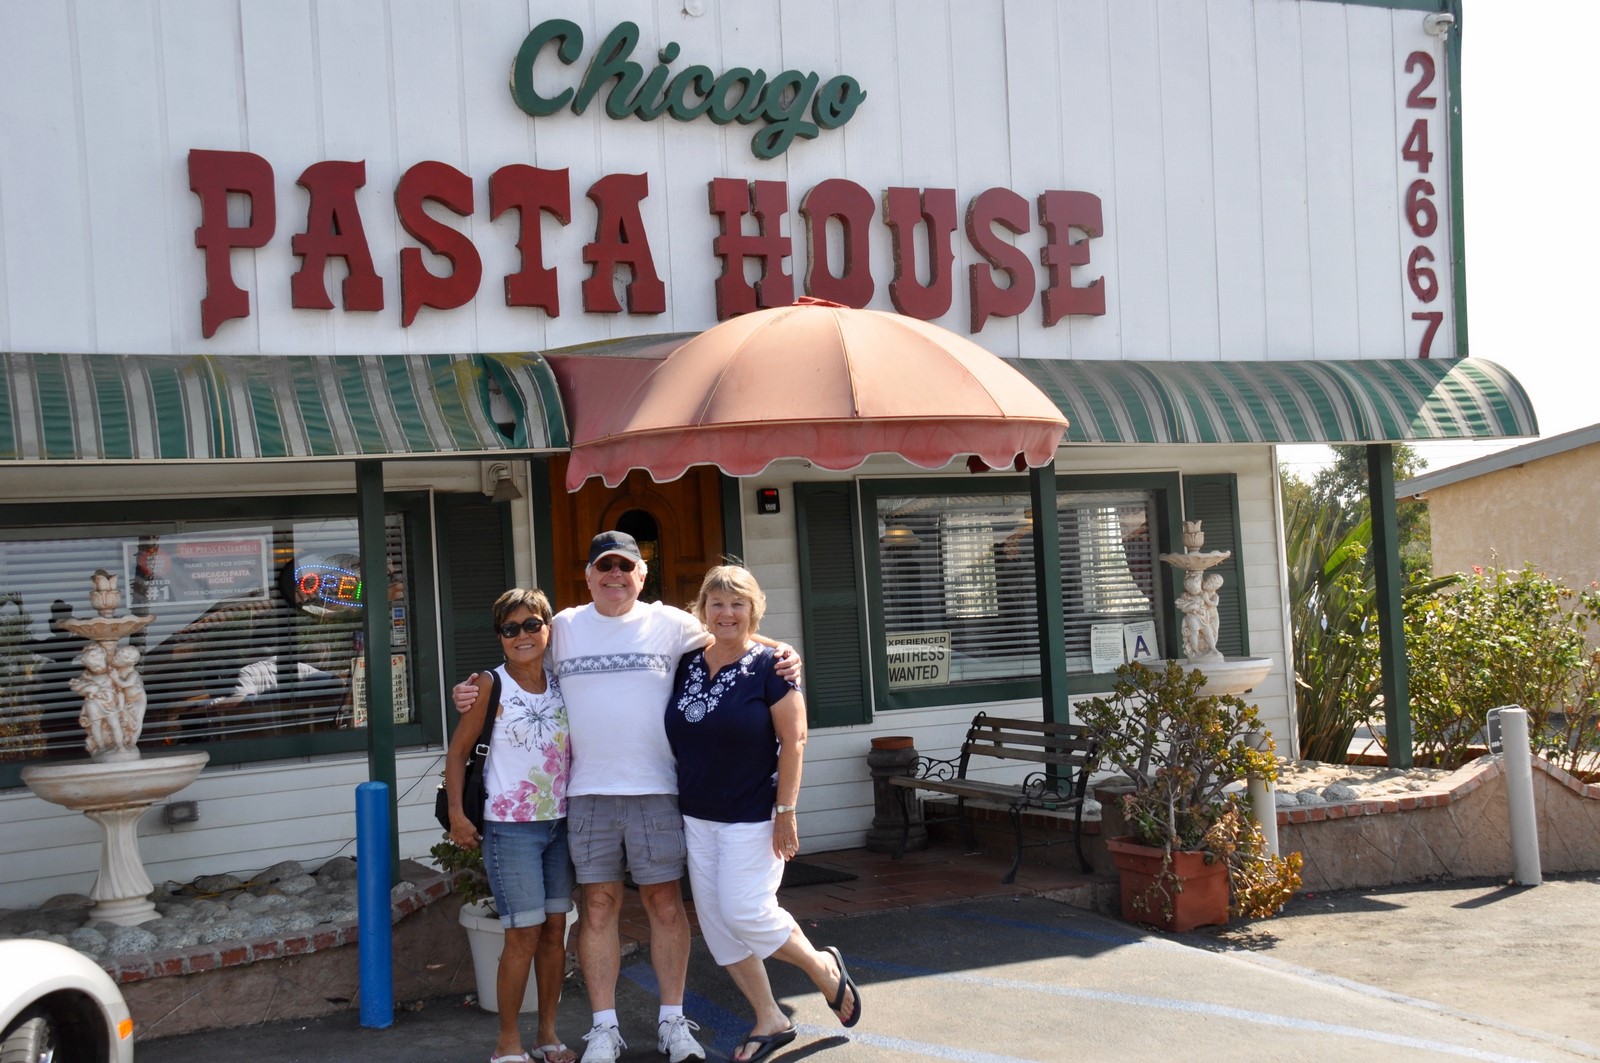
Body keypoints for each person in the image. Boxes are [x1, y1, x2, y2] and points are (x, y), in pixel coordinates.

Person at [453, 531, 801, 1063]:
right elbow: (519, 660)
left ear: (641, 575)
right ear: (588, 576)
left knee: (664, 904)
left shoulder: (671, 624)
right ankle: (604, 1028)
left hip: (657, 791)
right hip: (587, 795)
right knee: (597, 907)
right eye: (603, 567)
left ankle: (672, 1021)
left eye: (625, 567)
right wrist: (469, 690)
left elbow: (733, 630)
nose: (614, 576)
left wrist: (784, 651)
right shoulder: (563, 627)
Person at [666, 565, 861, 1062]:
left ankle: (822, 969)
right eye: (717, 603)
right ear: (702, 609)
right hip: (697, 814)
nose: (727, 613)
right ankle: (770, 1017)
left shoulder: (772, 666)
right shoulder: (688, 660)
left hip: (753, 814)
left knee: (744, 911)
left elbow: (794, 740)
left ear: (753, 609)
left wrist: (786, 811)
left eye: (738, 604)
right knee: (715, 923)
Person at [445, 588, 577, 1063]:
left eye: (531, 625)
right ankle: (507, 1044)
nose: (522, 635)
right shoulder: (488, 685)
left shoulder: (564, 681)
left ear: (547, 628)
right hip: (509, 828)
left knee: (554, 930)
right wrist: (458, 816)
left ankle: (547, 1035)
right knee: (522, 933)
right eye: (510, 628)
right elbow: (458, 753)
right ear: (500, 636)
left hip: (561, 824)